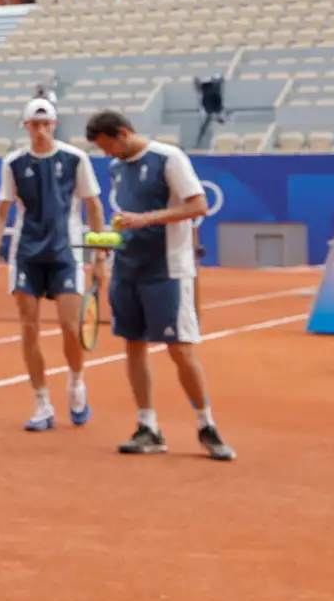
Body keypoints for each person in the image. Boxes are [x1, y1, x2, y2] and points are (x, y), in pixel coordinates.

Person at [84, 110, 236, 461]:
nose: (106, 155)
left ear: (122, 133)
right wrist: (102, 251)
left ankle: (206, 425)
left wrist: (146, 219)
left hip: (168, 269)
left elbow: (198, 204)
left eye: (108, 146)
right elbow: (124, 221)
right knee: (133, 346)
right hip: (127, 270)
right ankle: (148, 427)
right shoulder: (116, 168)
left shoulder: (169, 158)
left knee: (180, 349)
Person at [0, 98, 109, 431]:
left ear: (54, 125)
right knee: (29, 329)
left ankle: (76, 384)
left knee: (71, 328)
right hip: (26, 254)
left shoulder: (75, 159)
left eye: (46, 124)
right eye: (34, 125)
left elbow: (94, 208)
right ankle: (41, 404)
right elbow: (1, 210)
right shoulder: (12, 163)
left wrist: (100, 253)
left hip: (66, 254)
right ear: (25, 126)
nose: (40, 130)